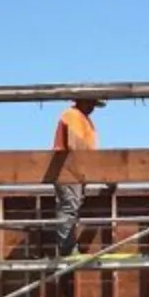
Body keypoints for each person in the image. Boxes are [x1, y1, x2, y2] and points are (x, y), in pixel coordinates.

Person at [49, 96, 105, 256]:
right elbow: (75, 144)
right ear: (80, 101)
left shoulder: (85, 120)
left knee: (72, 206)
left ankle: (68, 247)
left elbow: (86, 149)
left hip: (77, 170)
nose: (92, 106)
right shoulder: (72, 115)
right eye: (90, 102)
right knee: (69, 206)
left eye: (94, 103)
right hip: (67, 168)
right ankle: (66, 250)